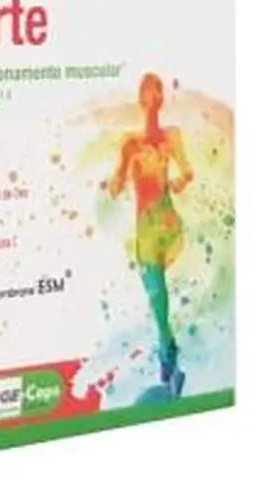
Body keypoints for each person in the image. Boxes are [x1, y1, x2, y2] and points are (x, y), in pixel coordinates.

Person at [109, 73, 193, 396]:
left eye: (157, 94)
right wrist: (116, 182)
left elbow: (187, 171)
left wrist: (180, 181)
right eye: (147, 95)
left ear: (162, 100)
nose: (152, 101)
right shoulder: (129, 143)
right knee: (157, 296)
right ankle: (169, 356)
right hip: (144, 229)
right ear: (140, 101)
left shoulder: (172, 136)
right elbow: (117, 184)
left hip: (167, 223)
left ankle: (168, 363)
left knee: (161, 296)